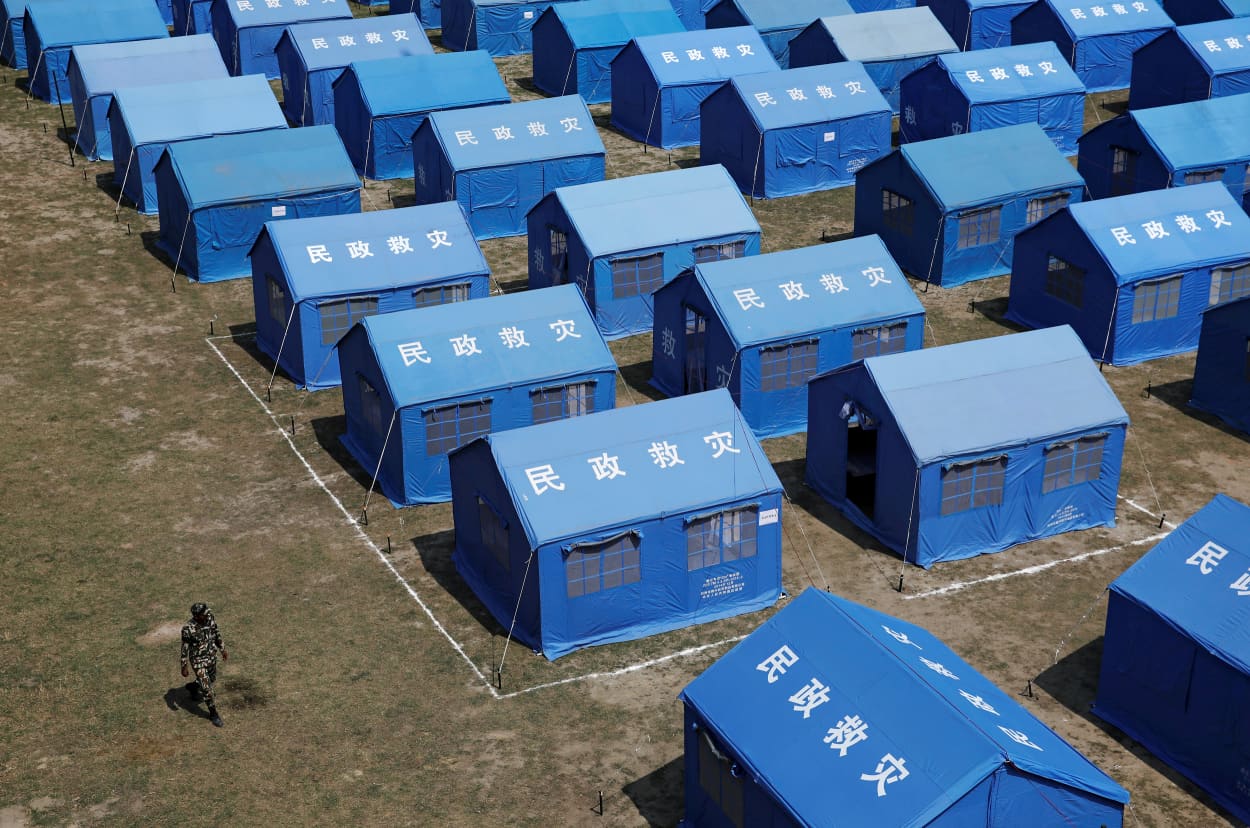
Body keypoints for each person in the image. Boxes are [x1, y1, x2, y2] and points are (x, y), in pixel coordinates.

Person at [180, 602, 228, 727]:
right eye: (204, 614)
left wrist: (222, 649)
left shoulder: (210, 618)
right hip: (198, 661)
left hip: (211, 657)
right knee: (207, 689)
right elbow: (184, 648)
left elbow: (216, 633)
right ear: (197, 616)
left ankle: (193, 686)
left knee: (211, 679)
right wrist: (184, 666)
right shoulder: (188, 629)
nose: (207, 615)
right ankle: (213, 714)